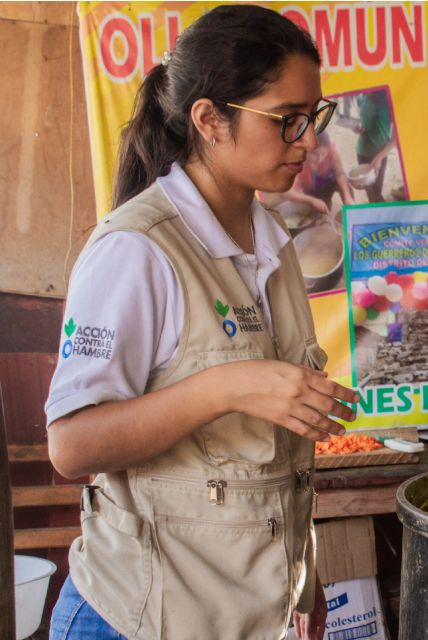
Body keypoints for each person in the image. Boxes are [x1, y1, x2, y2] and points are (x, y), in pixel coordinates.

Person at [44, 6, 358, 639]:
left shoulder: (272, 241)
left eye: (313, 116)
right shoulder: (137, 249)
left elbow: (276, 466)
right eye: (286, 120)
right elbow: (72, 446)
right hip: (138, 618)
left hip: (244, 617)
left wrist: (304, 579)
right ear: (210, 120)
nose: (308, 141)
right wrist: (229, 387)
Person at [354, 90, 395, 202]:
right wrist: (358, 127)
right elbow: (363, 119)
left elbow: (395, 138)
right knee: (369, 190)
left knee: (377, 187)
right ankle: (376, 203)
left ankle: (378, 202)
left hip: (379, 154)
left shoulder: (391, 101)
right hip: (362, 152)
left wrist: (380, 157)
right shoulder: (362, 96)